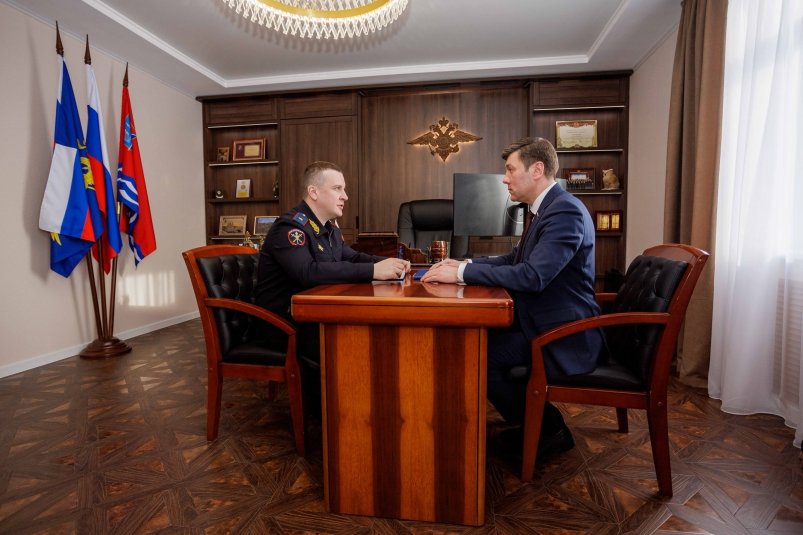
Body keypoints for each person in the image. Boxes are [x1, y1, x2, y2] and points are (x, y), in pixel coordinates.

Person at [422, 136, 602, 461]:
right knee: (473, 343)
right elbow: (513, 260)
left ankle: (549, 429)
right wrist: (465, 264)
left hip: (562, 332)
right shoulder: (545, 209)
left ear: (537, 170)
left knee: (479, 356)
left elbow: (532, 276)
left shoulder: (565, 212)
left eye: (510, 169)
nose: (505, 178)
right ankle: (531, 423)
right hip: (539, 320)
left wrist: (461, 274)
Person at [255, 161, 410, 412]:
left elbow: (352, 257)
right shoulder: (290, 227)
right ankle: (341, 415)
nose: (345, 196)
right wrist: (373, 271)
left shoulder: (328, 228)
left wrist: (390, 263)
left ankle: (365, 407)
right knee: (355, 341)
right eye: (337, 188)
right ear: (313, 192)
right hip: (283, 323)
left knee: (369, 334)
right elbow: (307, 272)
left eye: (343, 189)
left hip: (313, 315)